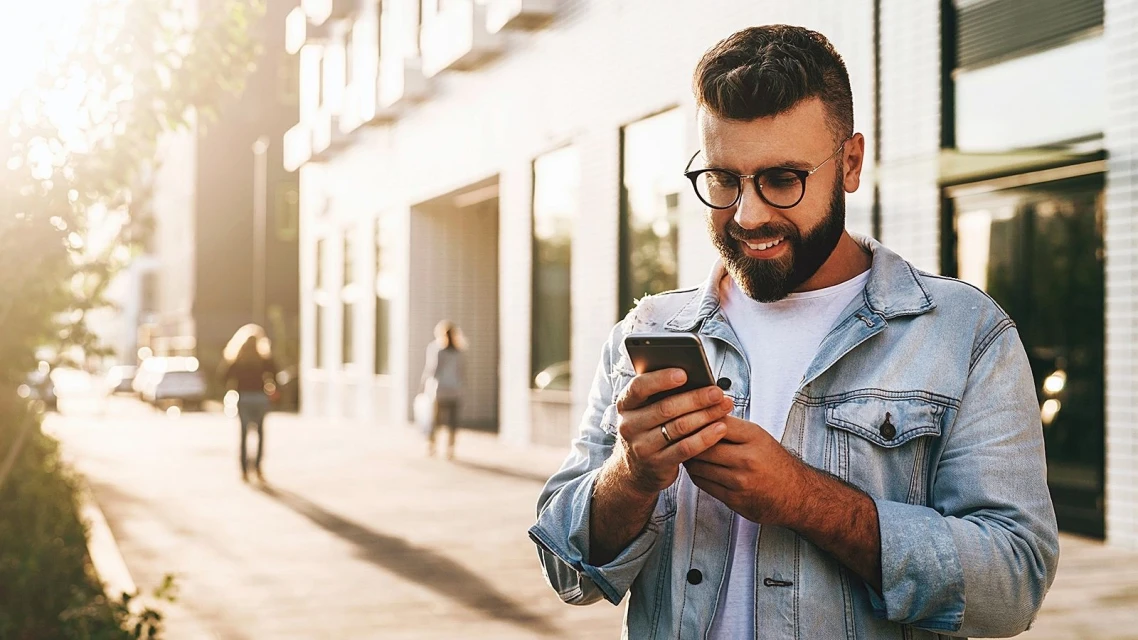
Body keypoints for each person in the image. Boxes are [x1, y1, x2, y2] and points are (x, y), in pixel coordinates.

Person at [529, 25, 1058, 639]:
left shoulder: (963, 335)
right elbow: (565, 570)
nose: (748, 214)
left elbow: (1014, 585)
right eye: (723, 179)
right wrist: (633, 474)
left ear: (850, 163)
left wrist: (805, 499)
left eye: (782, 179)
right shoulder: (650, 330)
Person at [221, 324, 278, 482]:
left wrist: (234, 387)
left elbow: (224, 377)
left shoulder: (238, 360)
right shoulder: (263, 359)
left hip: (244, 398)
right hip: (260, 398)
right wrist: (269, 385)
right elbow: (275, 374)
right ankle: (258, 468)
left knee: (244, 434)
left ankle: (244, 470)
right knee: (260, 433)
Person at [421, 320, 466, 459]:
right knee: (453, 422)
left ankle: (431, 446)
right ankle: (450, 449)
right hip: (455, 390)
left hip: (439, 390)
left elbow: (432, 370)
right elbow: (462, 372)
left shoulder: (437, 350)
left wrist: (424, 386)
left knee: (435, 420)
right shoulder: (459, 352)